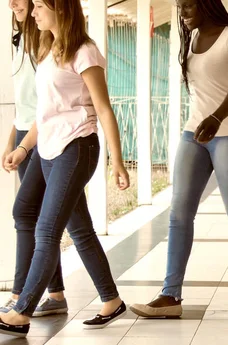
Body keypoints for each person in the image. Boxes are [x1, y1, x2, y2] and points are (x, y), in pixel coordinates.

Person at [130, 0, 228, 318]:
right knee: (179, 215)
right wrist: (205, 121)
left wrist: (217, 118)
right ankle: (170, 297)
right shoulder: (190, 38)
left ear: (207, 4)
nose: (183, 13)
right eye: (181, 7)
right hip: (194, 133)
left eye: (189, 6)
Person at [0, 0, 130, 337]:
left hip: (76, 148)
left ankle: (21, 310)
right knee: (56, 220)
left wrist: (116, 160)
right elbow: (45, 113)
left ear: (61, 9)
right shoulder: (47, 48)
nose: (33, 12)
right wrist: (22, 147)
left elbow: (103, 109)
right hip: (47, 148)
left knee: (46, 231)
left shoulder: (84, 51)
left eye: (40, 6)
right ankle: (111, 300)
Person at [1, 0, 68, 318]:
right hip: (26, 137)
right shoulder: (19, 40)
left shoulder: (45, 42)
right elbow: (25, 99)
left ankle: (19, 294)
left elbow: (47, 101)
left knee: (28, 216)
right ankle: (54, 295)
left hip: (45, 138)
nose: (13, 3)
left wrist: (25, 144)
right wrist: (11, 140)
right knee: (39, 220)